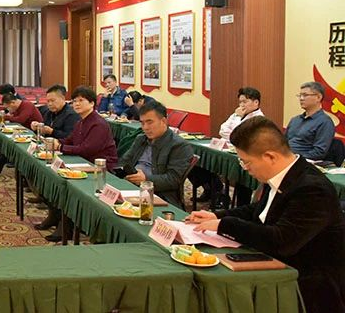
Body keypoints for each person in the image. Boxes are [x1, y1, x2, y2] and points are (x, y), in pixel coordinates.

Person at [186, 117, 345, 313]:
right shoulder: (284, 174)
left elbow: (282, 241)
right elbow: (260, 210)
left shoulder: (312, 189)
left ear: (270, 157)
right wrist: (217, 216)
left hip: (309, 287)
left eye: (246, 162)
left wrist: (225, 224)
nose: (245, 168)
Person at [38, 86, 119, 242]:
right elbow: (70, 140)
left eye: (81, 100)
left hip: (101, 169)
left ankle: (67, 226)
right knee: (53, 179)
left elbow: (87, 149)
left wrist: (60, 147)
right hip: (83, 163)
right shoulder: (81, 122)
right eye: (74, 101)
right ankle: (55, 216)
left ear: (92, 103)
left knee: (67, 186)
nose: (76, 104)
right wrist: (56, 142)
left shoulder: (98, 124)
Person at [117, 99, 194, 207]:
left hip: (159, 195)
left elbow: (173, 180)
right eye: (142, 123)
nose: (145, 127)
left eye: (150, 122)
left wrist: (146, 180)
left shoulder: (179, 145)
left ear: (164, 121)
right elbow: (125, 160)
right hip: (132, 187)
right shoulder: (141, 139)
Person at [286, 81, 340, 163]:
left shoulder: (325, 122)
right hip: (285, 160)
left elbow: (319, 152)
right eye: (300, 95)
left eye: (305, 95)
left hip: (303, 162)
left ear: (318, 97)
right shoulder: (295, 120)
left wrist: (295, 158)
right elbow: (283, 143)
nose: (301, 98)